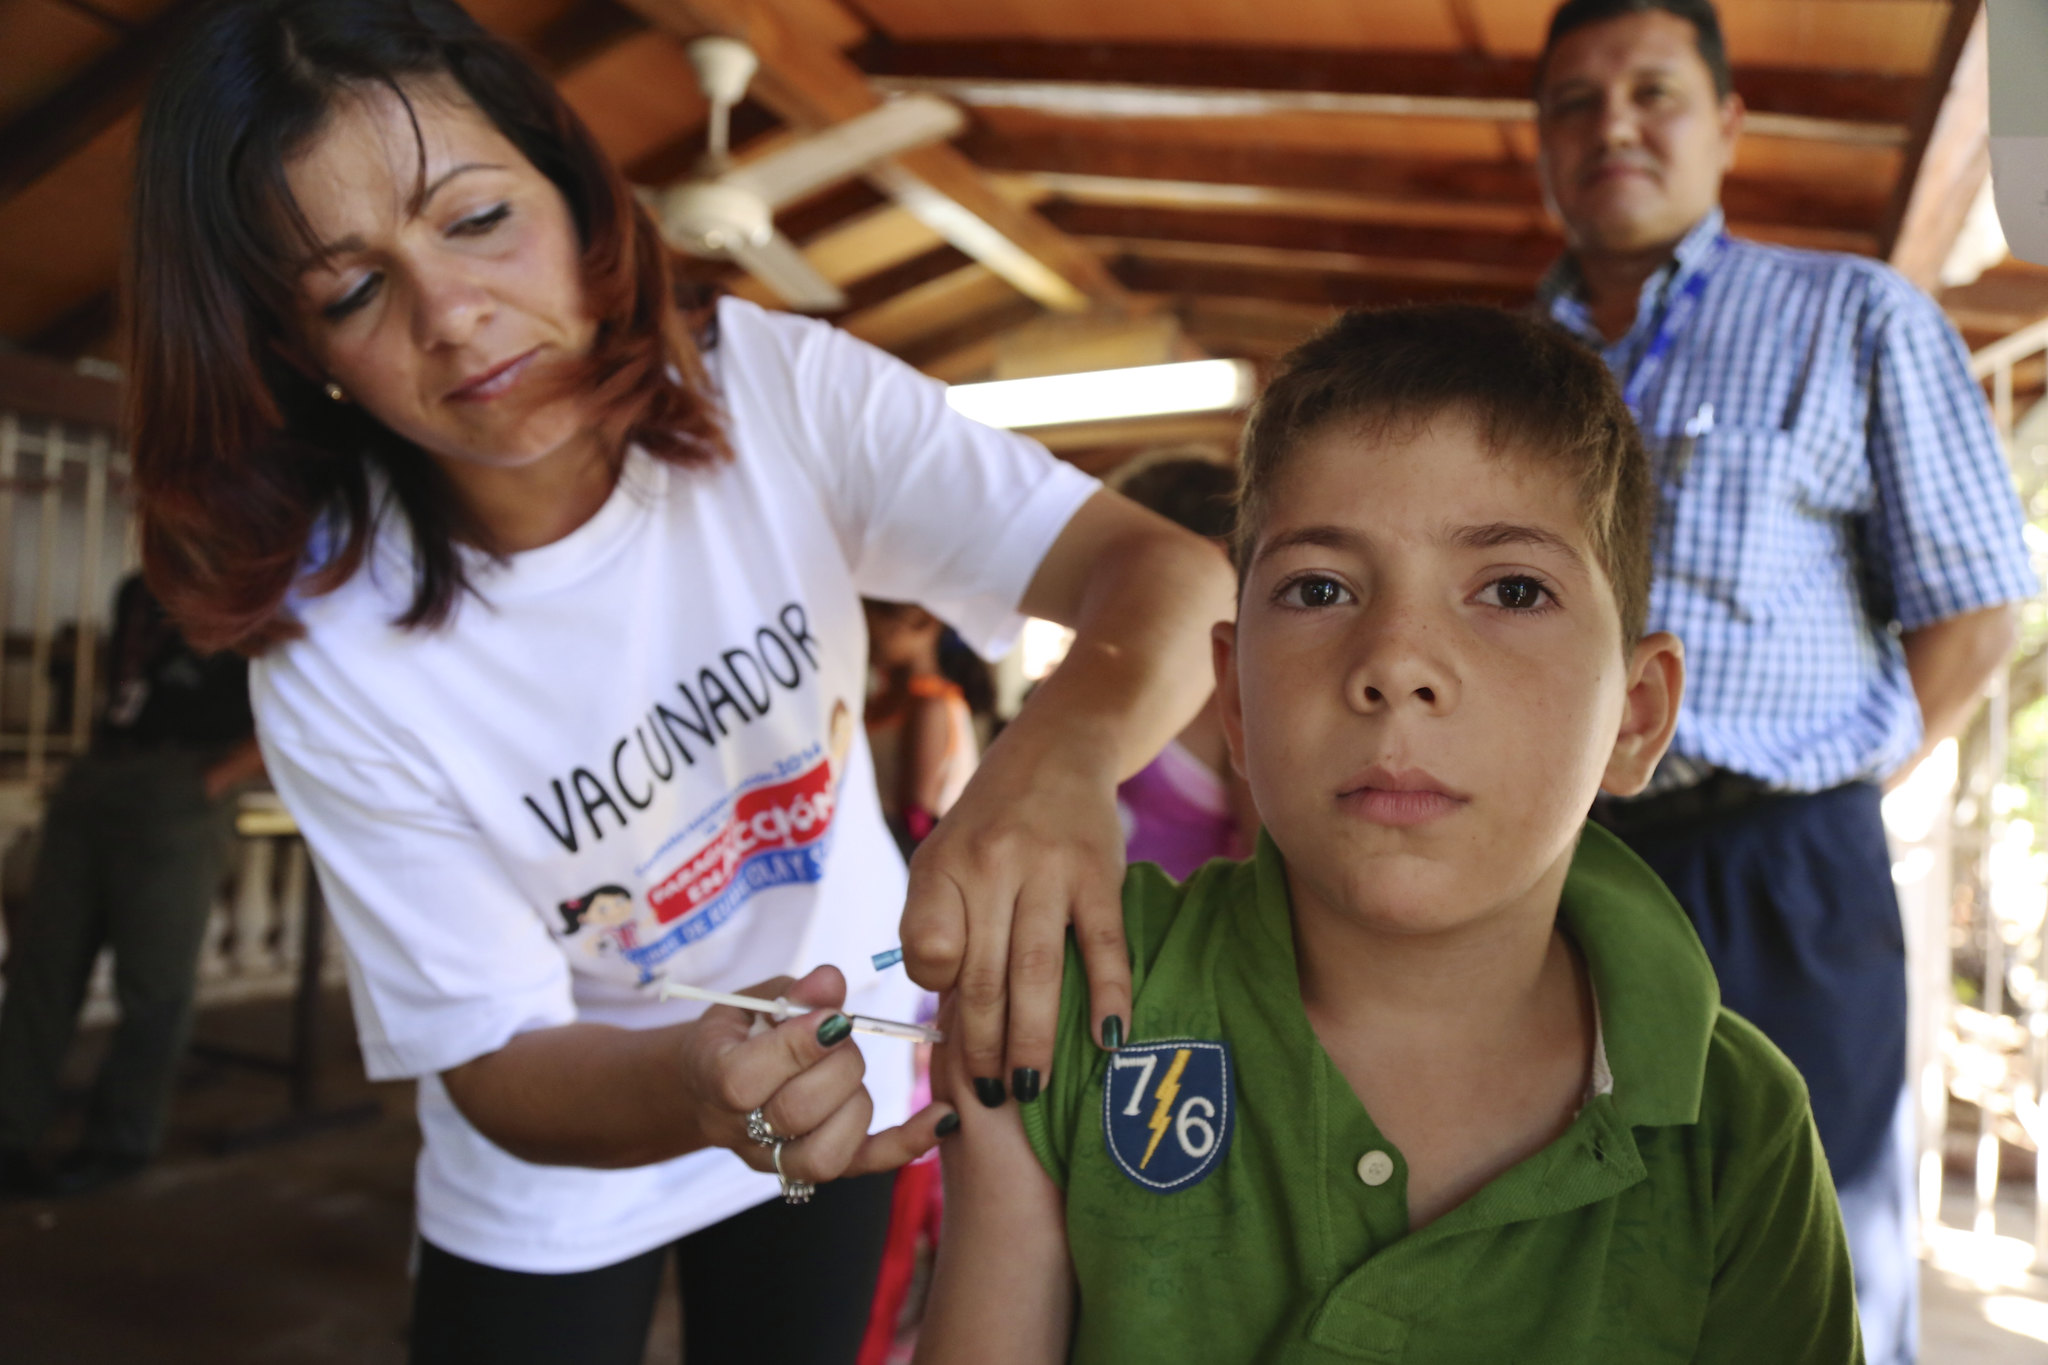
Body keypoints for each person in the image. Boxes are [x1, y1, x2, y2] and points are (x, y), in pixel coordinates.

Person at [122, 3, 1232, 1361]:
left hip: (847, 1074)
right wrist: (696, 1082)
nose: (454, 315)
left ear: (571, 187)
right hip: (569, 1155)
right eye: (353, 291)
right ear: (301, 359)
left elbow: (1175, 579)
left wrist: (1053, 764)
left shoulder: (769, 390)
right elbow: (500, 1066)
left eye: (476, 220)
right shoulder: (332, 651)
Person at [913, 304, 1862, 1364]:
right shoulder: (1079, 985)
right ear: (1231, 701)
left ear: (1633, 717)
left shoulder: (1735, 1123)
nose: (1396, 660)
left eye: (1510, 590)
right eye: (1319, 588)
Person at [1530, 3, 2037, 1357]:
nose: (1613, 126)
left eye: (1653, 91)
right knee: (1571, 1237)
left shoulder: (1851, 315)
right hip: (1551, 864)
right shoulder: (1509, 367)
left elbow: (1979, 610)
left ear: (1730, 123)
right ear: (1540, 145)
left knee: (1813, 1242)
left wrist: (1829, 792)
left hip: (1782, 861)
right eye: (1573, 102)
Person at [0, 573, 264, 1198]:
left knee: (152, 981)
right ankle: (10, 1131)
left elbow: (300, 707)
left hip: (183, 780)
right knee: (44, 966)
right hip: (103, 771)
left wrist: (214, 781)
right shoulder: (138, 589)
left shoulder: (252, 589)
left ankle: (119, 1141)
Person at [1110, 456, 1256, 878]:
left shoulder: (1235, 699)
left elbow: (1271, 871)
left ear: (1209, 559)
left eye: (1125, 560)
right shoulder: (1111, 677)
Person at [863, 599, 987, 854]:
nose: (866, 629)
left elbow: (916, 818)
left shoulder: (929, 706)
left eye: (875, 616)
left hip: (902, 857)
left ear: (924, 622)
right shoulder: (881, 702)